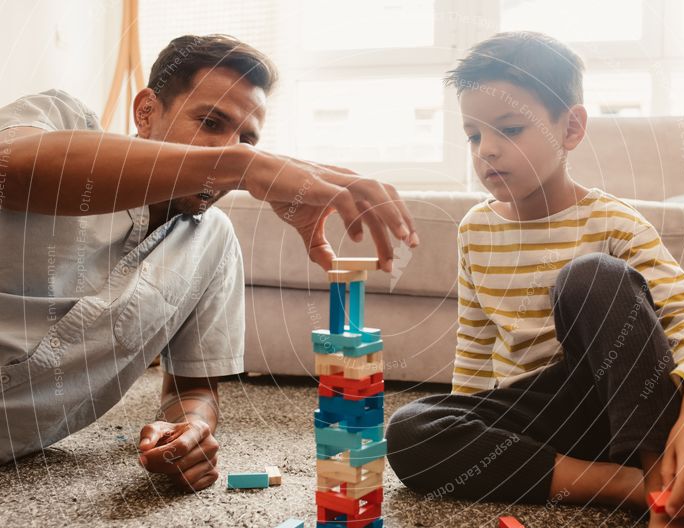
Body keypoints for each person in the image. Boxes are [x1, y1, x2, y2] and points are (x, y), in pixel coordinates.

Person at [0, 34, 418, 491]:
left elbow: (193, 389)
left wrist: (191, 429)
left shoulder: (214, 242)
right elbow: (11, 169)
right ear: (146, 111)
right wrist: (243, 164)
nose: (233, 147)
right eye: (211, 122)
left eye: (247, 139)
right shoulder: (58, 120)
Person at [386, 31, 684, 528]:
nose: (488, 151)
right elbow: (476, 344)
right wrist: (469, 418)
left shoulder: (613, 222)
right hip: (539, 421)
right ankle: (630, 487)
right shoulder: (475, 231)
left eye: (509, 129)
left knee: (591, 277)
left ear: (570, 128)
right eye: (474, 136)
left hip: (618, 405)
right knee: (408, 431)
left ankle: (664, 481)